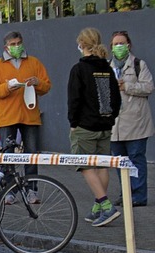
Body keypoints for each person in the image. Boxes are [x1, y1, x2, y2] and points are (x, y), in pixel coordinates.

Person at [0, 31, 52, 205]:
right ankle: (9, 191)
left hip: (29, 116)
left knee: (31, 155)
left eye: (19, 43)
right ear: (6, 47)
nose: (17, 46)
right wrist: (8, 87)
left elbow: (46, 86)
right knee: (8, 156)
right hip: (7, 117)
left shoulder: (34, 62)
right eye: (13, 44)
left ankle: (32, 190)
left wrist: (38, 83)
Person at [67, 27, 121, 227]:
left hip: (85, 125)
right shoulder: (107, 68)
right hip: (105, 125)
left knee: (85, 166)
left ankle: (106, 206)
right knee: (101, 166)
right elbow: (115, 98)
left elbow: (74, 99)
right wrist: (111, 117)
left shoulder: (79, 69)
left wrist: (73, 123)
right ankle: (98, 207)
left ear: (81, 44)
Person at [109, 30, 155, 207]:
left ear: (129, 45)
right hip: (115, 125)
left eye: (122, 43)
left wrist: (126, 85)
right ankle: (125, 193)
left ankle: (138, 195)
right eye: (115, 44)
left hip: (136, 122)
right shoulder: (107, 67)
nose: (119, 46)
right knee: (120, 162)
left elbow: (148, 87)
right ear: (111, 47)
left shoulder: (138, 64)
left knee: (136, 159)